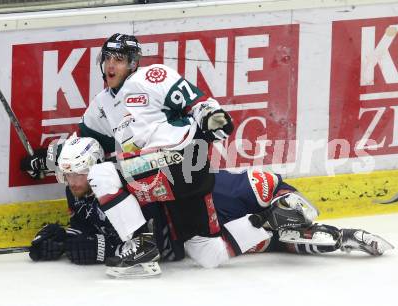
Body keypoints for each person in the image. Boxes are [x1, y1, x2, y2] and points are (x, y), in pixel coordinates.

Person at [22, 33, 317, 276]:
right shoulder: (100, 106)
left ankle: (141, 246)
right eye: (108, 59)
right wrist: (46, 160)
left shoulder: (151, 77)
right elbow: (86, 146)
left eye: (120, 59)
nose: (111, 65)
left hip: (179, 160)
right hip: (162, 178)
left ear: (133, 63)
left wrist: (209, 114)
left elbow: (193, 99)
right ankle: (273, 218)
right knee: (207, 254)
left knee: (102, 174)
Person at [28, 136, 393, 276]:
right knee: (276, 238)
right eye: (64, 175)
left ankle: (280, 215)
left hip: (203, 205)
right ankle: (325, 234)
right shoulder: (84, 189)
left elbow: (160, 244)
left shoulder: (115, 178)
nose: (70, 183)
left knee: (266, 192)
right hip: (201, 229)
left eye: (74, 174)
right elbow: (94, 224)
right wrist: (60, 237)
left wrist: (98, 247)